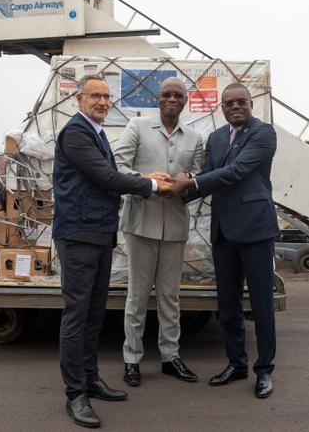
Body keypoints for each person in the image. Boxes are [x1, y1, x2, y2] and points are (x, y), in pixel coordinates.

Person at [52, 74, 171, 428]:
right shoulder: (76, 133)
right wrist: (151, 185)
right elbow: (106, 177)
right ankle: (75, 393)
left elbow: (108, 173)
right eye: (95, 96)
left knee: (94, 314)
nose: (103, 102)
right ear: (79, 99)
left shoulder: (97, 133)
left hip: (100, 234)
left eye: (106, 97)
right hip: (79, 235)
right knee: (77, 316)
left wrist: (143, 176)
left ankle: (90, 379)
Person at [170, 83, 280, 399]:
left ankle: (264, 370)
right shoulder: (217, 138)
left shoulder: (263, 134)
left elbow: (236, 171)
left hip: (255, 229)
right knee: (227, 305)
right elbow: (208, 177)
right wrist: (171, 193)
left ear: (250, 104)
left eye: (240, 101)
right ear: (222, 107)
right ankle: (236, 364)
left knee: (261, 304)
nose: (235, 107)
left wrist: (188, 182)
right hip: (224, 232)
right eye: (229, 103)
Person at [113, 78, 204, 386]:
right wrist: (148, 181)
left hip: (175, 226)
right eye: (166, 94)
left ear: (185, 100)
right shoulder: (138, 127)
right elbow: (118, 165)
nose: (172, 99)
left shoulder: (194, 137)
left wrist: (187, 177)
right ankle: (132, 359)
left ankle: (170, 357)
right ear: (158, 98)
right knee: (137, 297)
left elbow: (202, 173)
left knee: (170, 297)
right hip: (141, 223)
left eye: (178, 95)